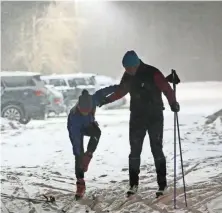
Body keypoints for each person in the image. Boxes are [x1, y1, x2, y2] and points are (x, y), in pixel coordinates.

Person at [99, 50, 180, 197]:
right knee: (135, 150)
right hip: (137, 117)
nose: (128, 71)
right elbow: (121, 91)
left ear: (136, 64)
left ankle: (162, 185)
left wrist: (173, 103)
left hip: (154, 116)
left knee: (157, 149)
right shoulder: (128, 76)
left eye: (129, 68)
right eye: (125, 68)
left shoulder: (153, 73)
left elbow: (167, 89)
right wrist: (107, 99)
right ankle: (133, 184)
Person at [67, 86, 118, 199]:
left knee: (97, 133)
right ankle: (80, 183)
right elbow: (76, 144)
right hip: (77, 129)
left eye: (87, 110)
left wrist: (122, 86)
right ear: (79, 107)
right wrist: (81, 157)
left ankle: (89, 155)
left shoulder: (94, 99)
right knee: (78, 154)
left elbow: (107, 90)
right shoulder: (74, 118)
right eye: (83, 111)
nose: (85, 112)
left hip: (88, 124)